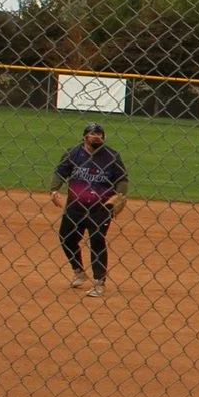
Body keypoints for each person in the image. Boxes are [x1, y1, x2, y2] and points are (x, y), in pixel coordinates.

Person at [49, 122, 128, 297]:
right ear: (85, 137)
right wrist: (54, 190)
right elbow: (60, 172)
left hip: (100, 208)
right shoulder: (73, 153)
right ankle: (78, 271)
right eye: (93, 134)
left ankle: (99, 282)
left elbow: (122, 179)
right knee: (66, 238)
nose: (97, 137)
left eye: (100, 134)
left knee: (97, 241)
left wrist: (120, 196)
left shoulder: (112, 156)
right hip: (75, 207)